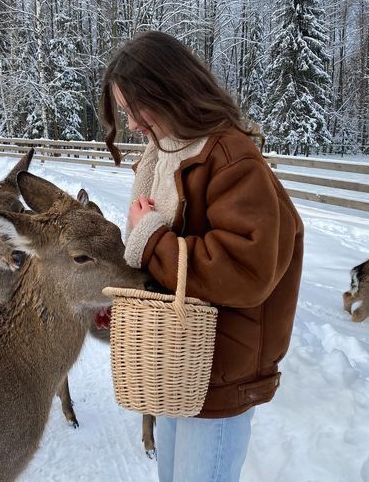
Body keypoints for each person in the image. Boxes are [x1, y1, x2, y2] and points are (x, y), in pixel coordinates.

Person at [100, 30, 304, 482]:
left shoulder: (231, 160)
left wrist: (150, 238)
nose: (131, 123)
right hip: (179, 360)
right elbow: (169, 264)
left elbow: (245, 270)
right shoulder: (168, 153)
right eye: (124, 111)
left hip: (220, 372)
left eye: (135, 108)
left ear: (169, 90)